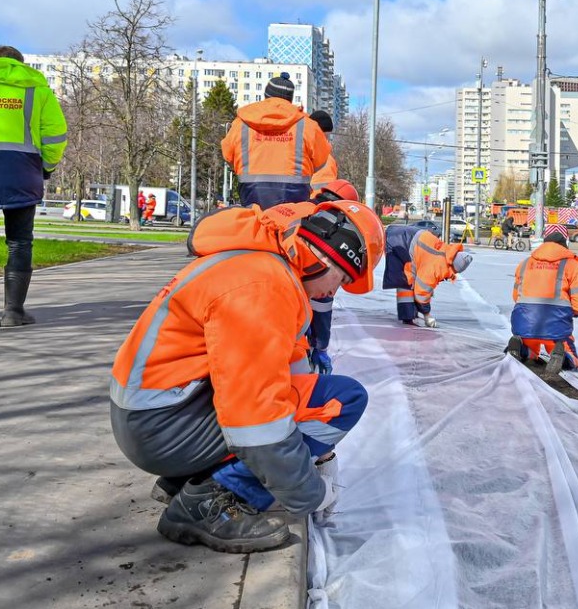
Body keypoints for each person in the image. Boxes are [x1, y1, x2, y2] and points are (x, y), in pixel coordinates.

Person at [109, 198, 385, 554]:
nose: (335, 291)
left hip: (159, 415)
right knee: (344, 399)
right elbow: (256, 418)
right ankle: (208, 503)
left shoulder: (259, 261)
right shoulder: (263, 286)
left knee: (320, 387)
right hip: (162, 430)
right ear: (329, 255)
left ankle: (187, 478)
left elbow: (290, 369)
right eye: (343, 277)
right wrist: (310, 493)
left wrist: (321, 454)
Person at [0, 45, 68, 327]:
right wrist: (46, 168)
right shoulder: (37, 89)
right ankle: (13, 312)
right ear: (20, 64)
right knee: (19, 241)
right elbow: (55, 137)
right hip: (23, 171)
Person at [220, 72, 332, 209]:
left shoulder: (241, 124)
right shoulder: (308, 127)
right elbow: (321, 161)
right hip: (294, 205)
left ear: (266, 96)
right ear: (290, 99)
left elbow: (227, 155)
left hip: (251, 198)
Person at [506, 224, 578, 374]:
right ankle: (561, 355)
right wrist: (573, 312)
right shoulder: (570, 265)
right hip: (556, 325)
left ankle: (521, 348)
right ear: (564, 247)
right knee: (570, 355)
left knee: (531, 350)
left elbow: (515, 296)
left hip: (524, 322)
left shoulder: (524, 264)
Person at [305, 178, 360, 376]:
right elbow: (322, 301)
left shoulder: (304, 212)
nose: (333, 289)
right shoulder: (329, 233)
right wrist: (320, 347)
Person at [382, 223, 472, 327]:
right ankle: (408, 318)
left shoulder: (445, 251)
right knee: (406, 281)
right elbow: (421, 293)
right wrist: (427, 315)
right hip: (398, 242)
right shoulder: (437, 266)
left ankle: (409, 316)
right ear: (454, 267)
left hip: (401, 236)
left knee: (409, 279)